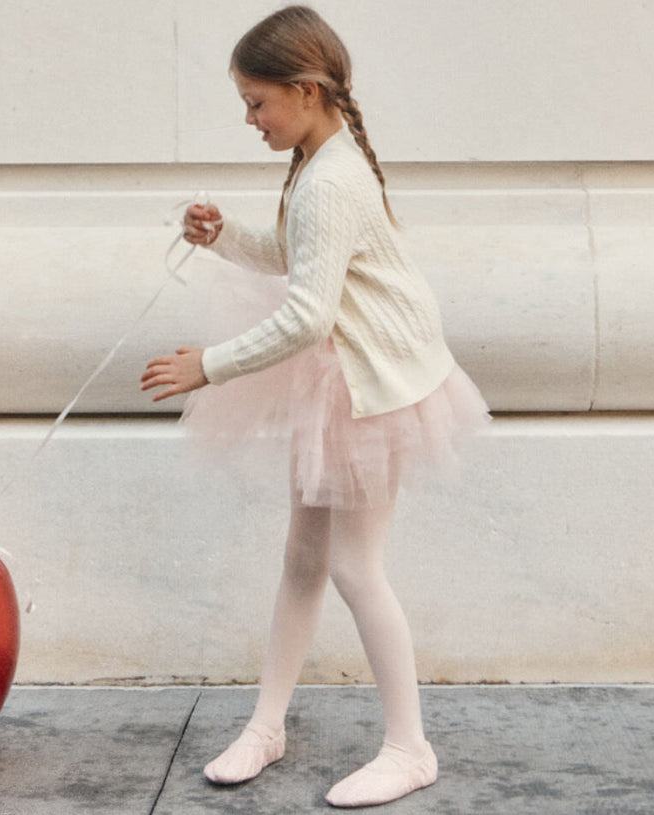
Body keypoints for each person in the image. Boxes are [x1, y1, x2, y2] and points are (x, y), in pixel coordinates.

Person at [141, 5, 490, 807]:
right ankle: (268, 724)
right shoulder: (317, 161)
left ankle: (410, 746)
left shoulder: (330, 178)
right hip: (346, 382)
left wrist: (210, 366)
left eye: (257, 102)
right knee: (304, 559)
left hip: (374, 393)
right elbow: (301, 258)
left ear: (304, 90)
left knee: (353, 566)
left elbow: (307, 315)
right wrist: (225, 234)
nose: (250, 119)